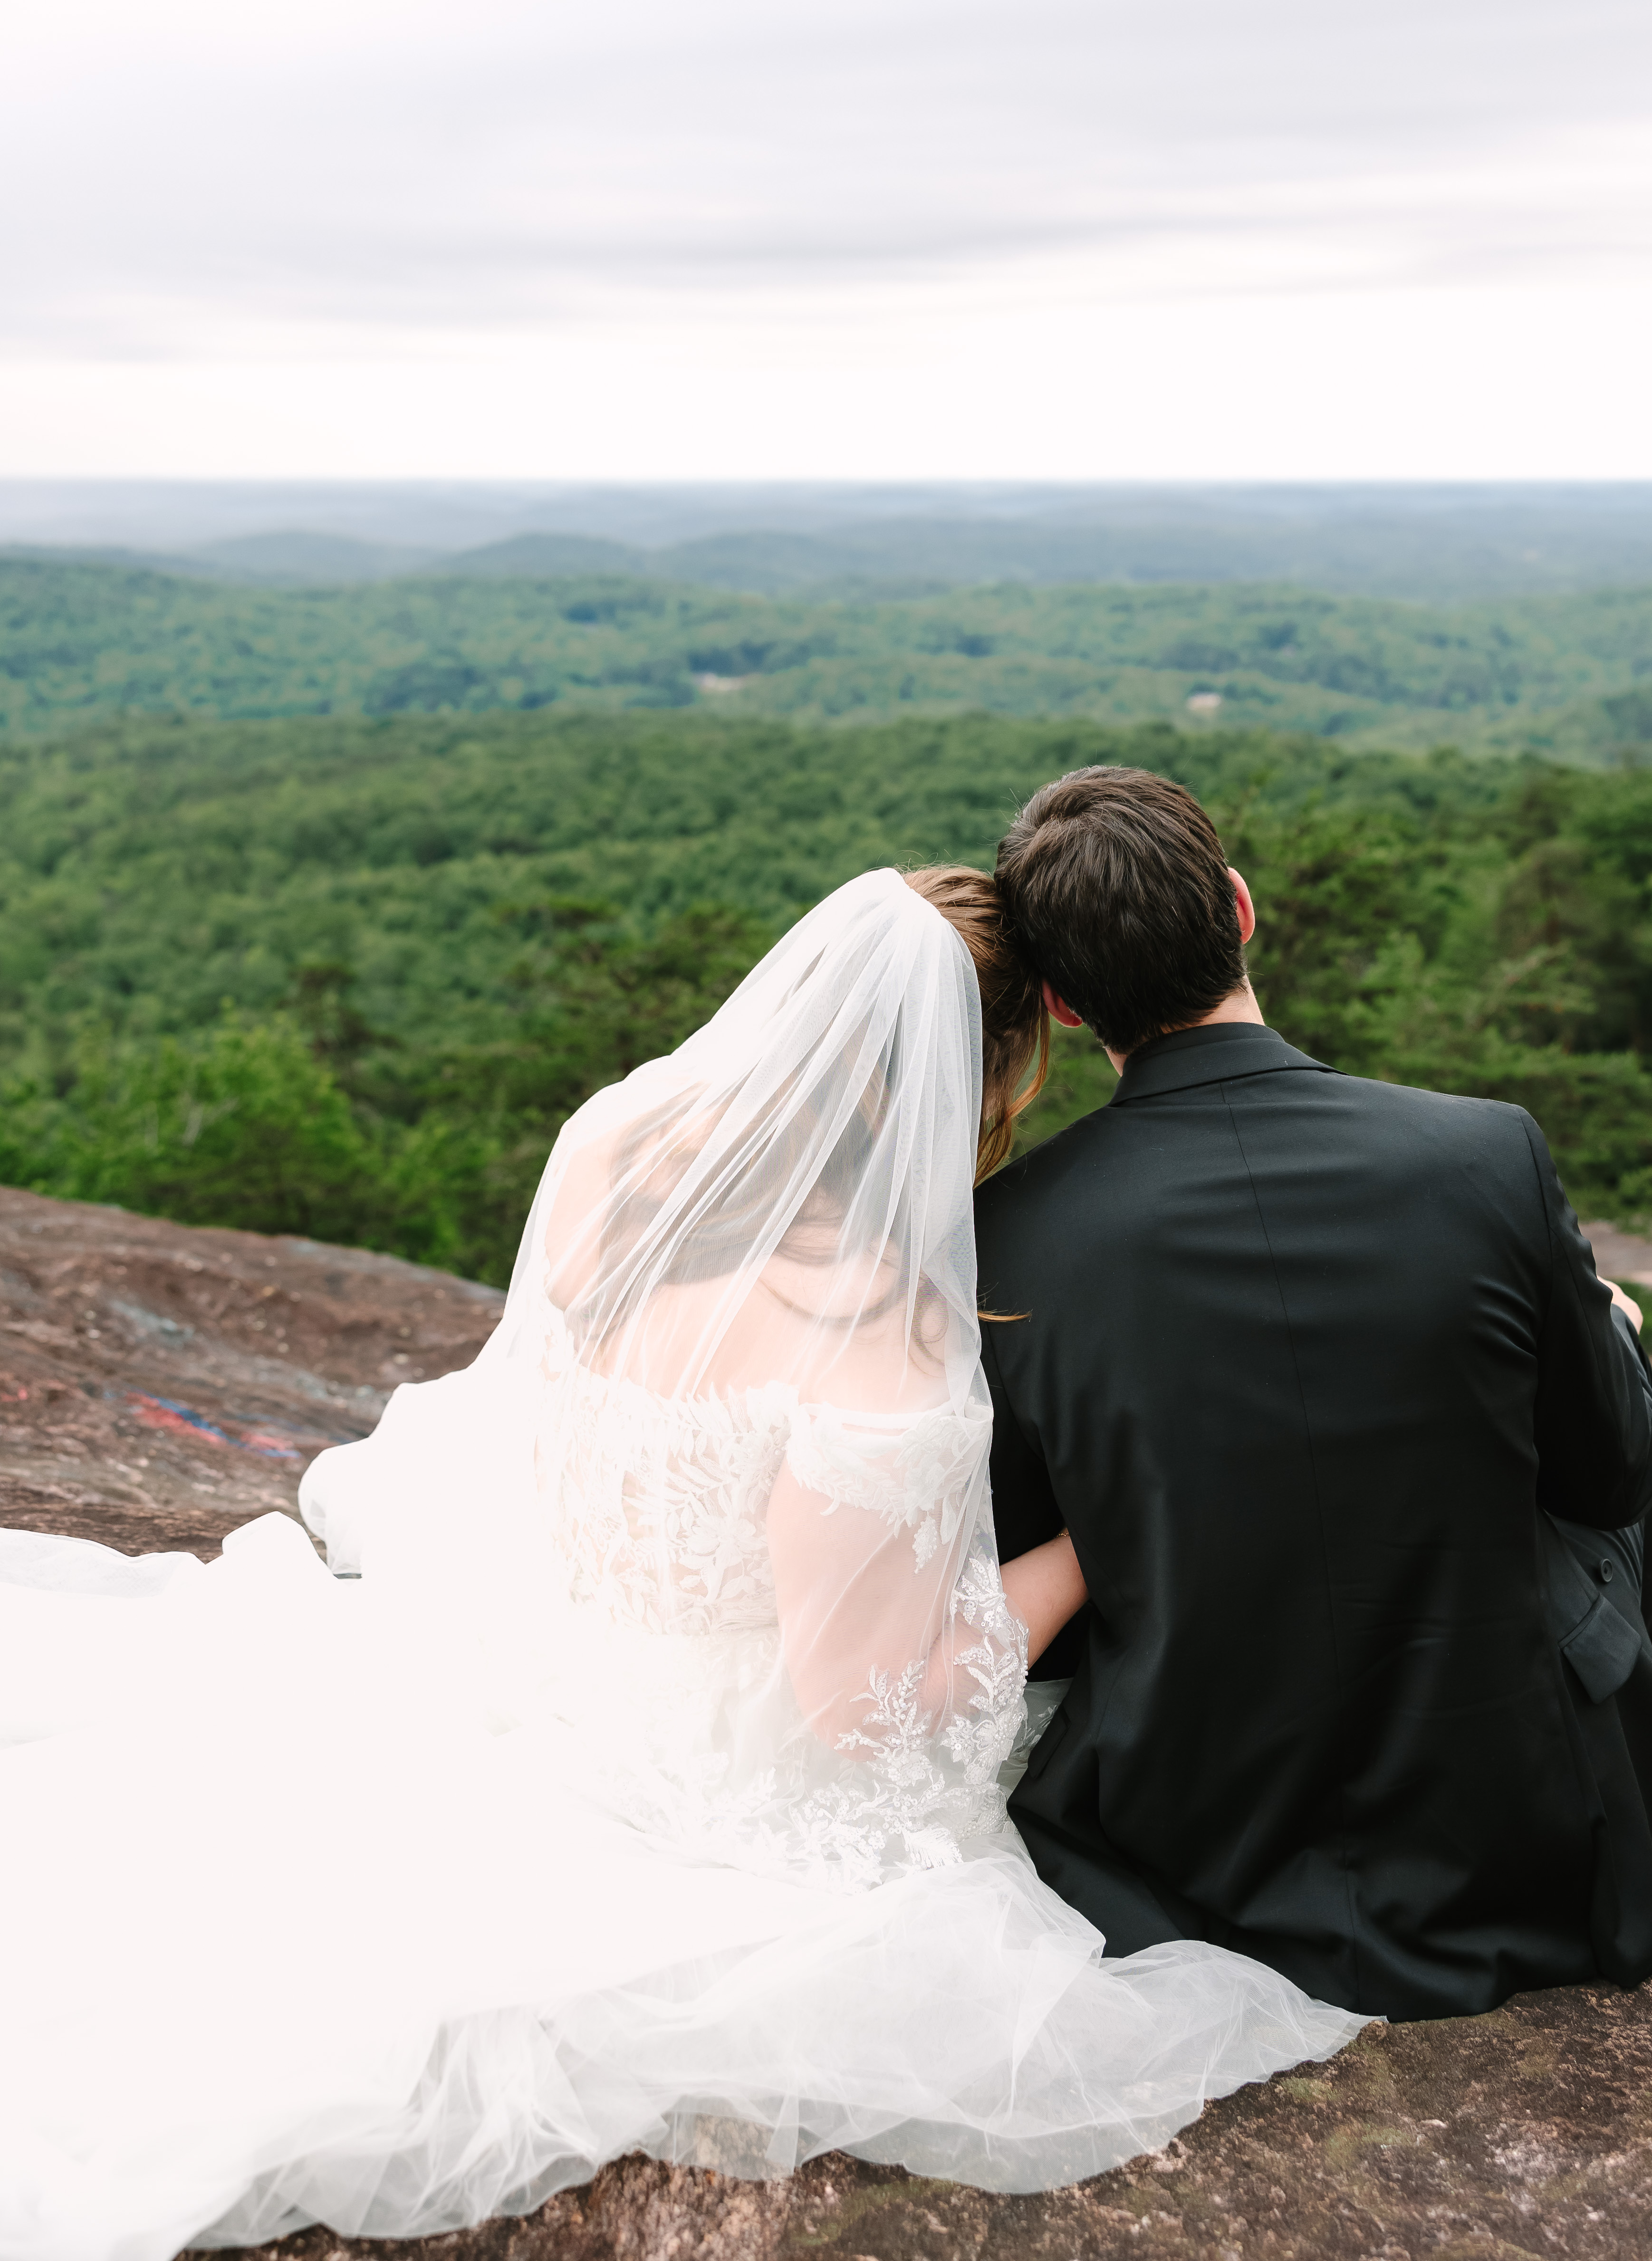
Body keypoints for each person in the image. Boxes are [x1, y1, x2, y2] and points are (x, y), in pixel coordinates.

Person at [0, 867, 1361, 2261]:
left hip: (541, 1641)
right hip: (719, 1777)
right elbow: (863, 1709)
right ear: (988, 1067)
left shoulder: (625, 1137)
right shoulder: (874, 1334)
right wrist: (1098, 1543)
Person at [977, 767, 1652, 2024]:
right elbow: (1611, 1479)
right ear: (1241, 912)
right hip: (1513, 1843)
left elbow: (1036, 1557)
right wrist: (1612, 1337)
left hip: (1190, 1835)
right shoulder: (1482, 1154)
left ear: (1068, 1004)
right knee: (1608, 1376)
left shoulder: (1009, 1237)